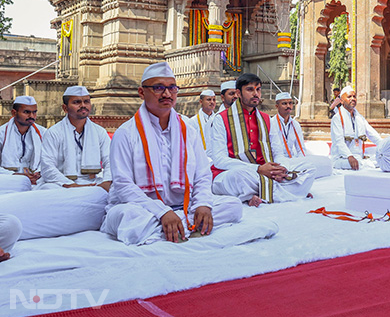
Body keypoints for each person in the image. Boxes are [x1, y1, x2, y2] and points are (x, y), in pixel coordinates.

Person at [101, 62, 242, 245]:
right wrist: (162, 212)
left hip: (182, 206)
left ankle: (173, 228)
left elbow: (202, 175)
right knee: (129, 220)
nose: (167, 94)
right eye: (158, 88)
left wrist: (203, 204)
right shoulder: (126, 133)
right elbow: (122, 185)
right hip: (140, 208)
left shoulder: (188, 130)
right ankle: (182, 226)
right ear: (142, 92)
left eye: (172, 88)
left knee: (234, 206)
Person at [209, 74, 315, 207]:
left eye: (258, 89)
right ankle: (290, 192)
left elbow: (278, 153)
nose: (255, 94)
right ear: (238, 93)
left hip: (266, 173)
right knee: (238, 177)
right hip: (237, 174)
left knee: (309, 167)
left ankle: (258, 194)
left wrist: (280, 168)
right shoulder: (221, 119)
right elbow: (219, 159)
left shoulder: (266, 119)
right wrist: (258, 169)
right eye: (250, 90)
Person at [39, 86, 112, 190]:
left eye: (86, 101)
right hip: (62, 184)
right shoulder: (54, 133)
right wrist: (71, 185)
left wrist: (107, 181)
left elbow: (110, 160)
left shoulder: (99, 132)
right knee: (48, 189)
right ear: (65, 108)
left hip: (93, 183)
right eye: (77, 102)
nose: (83, 105)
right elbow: (47, 167)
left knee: (118, 189)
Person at [270, 92, 332, 178]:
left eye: (290, 103)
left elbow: (301, 150)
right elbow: (276, 152)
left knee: (326, 162)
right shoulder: (271, 123)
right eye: (284, 103)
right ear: (277, 106)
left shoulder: (295, 124)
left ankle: (297, 171)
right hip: (278, 161)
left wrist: (303, 162)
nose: (288, 106)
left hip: (293, 160)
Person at [0, 96, 45, 193]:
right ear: (14, 113)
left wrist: (39, 173)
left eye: (34, 112)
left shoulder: (43, 133)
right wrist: (16, 176)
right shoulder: (2, 134)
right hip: (8, 179)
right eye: (26, 112)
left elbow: (51, 159)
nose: (32, 116)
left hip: (36, 180)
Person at [330, 86, 383, 170]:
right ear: (341, 100)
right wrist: (349, 156)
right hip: (342, 158)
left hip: (358, 157)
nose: (353, 99)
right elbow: (339, 142)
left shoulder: (359, 118)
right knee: (362, 164)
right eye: (349, 97)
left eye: (354, 96)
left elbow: (372, 134)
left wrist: (385, 145)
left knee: (380, 157)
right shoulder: (337, 118)